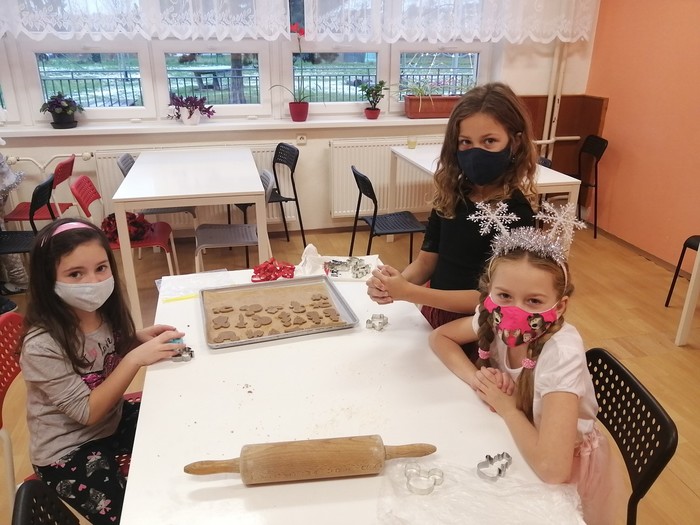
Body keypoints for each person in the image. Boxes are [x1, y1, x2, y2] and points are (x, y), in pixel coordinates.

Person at [428, 205, 624, 525]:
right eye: (504, 296)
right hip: (518, 440)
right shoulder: (492, 318)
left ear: (560, 306)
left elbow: (553, 469)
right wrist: (478, 380)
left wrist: (507, 408)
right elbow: (440, 338)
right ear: (489, 293)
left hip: (566, 468)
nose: (515, 311)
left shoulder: (561, 353)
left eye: (533, 301)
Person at [20, 217, 186, 525]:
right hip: (68, 451)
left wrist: (136, 337)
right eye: (75, 274)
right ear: (47, 280)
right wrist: (134, 359)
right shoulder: (41, 344)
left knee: (181, 426)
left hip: (112, 421)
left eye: (101, 268)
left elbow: (108, 348)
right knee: (134, 514)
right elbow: (88, 412)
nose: (93, 282)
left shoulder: (101, 312)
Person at [366, 82, 538, 331]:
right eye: (465, 142)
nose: (476, 152)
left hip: (478, 329)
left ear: (515, 143)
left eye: (489, 141)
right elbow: (426, 263)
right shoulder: (452, 195)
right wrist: (393, 284)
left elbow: (492, 299)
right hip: (436, 313)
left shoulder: (516, 214)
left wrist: (410, 292)